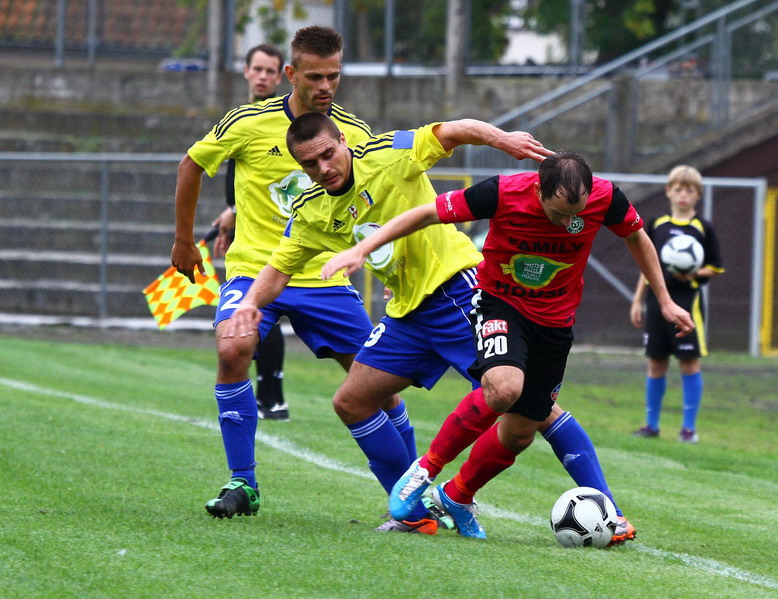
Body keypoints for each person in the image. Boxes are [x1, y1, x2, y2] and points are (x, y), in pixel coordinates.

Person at [224, 115, 652, 542]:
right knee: (352, 402)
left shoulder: (390, 154)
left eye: (328, 154)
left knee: (529, 408)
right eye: (310, 165)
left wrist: (502, 139)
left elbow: (452, 130)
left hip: (457, 292)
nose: (323, 168)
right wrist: (248, 302)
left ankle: (609, 513)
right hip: (408, 312)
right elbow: (279, 268)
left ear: (343, 141)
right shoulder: (312, 210)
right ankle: (413, 511)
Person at [327, 151, 695, 539]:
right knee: (503, 388)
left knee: (521, 432)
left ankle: (457, 495)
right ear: (538, 190)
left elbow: (637, 237)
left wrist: (666, 300)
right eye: (557, 213)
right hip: (499, 304)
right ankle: (426, 470)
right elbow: (425, 213)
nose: (568, 221)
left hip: (555, 323)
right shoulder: (502, 192)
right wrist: (362, 249)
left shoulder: (606, 197)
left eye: (577, 213)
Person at [171, 26, 413, 521]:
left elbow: (384, 198)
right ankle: (244, 481)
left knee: (378, 387)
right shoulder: (247, 122)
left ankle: (416, 494)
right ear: (291, 74)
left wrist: (395, 265)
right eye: (315, 77)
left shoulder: (352, 132)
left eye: (334, 76)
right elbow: (191, 165)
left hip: (323, 277)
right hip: (255, 270)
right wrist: (181, 240)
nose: (326, 87)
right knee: (232, 347)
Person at [204, 43, 290, 421]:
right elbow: (238, 176)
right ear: (245, 71)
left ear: (281, 76)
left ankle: (271, 393)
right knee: (255, 313)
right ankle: (270, 395)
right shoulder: (240, 117)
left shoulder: (283, 118)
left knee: (257, 310)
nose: (263, 77)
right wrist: (231, 212)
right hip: (245, 225)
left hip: (274, 232)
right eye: (257, 69)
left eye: (270, 71)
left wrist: (237, 212)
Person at [630, 165, 724, 444]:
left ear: (698, 195)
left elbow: (716, 268)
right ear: (668, 192)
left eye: (690, 190)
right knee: (656, 362)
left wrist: (693, 273)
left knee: (689, 363)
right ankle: (651, 425)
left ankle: (688, 429)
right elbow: (646, 265)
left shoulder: (703, 228)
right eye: (678, 189)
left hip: (687, 302)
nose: (684, 195)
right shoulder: (657, 224)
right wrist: (637, 301)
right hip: (656, 302)